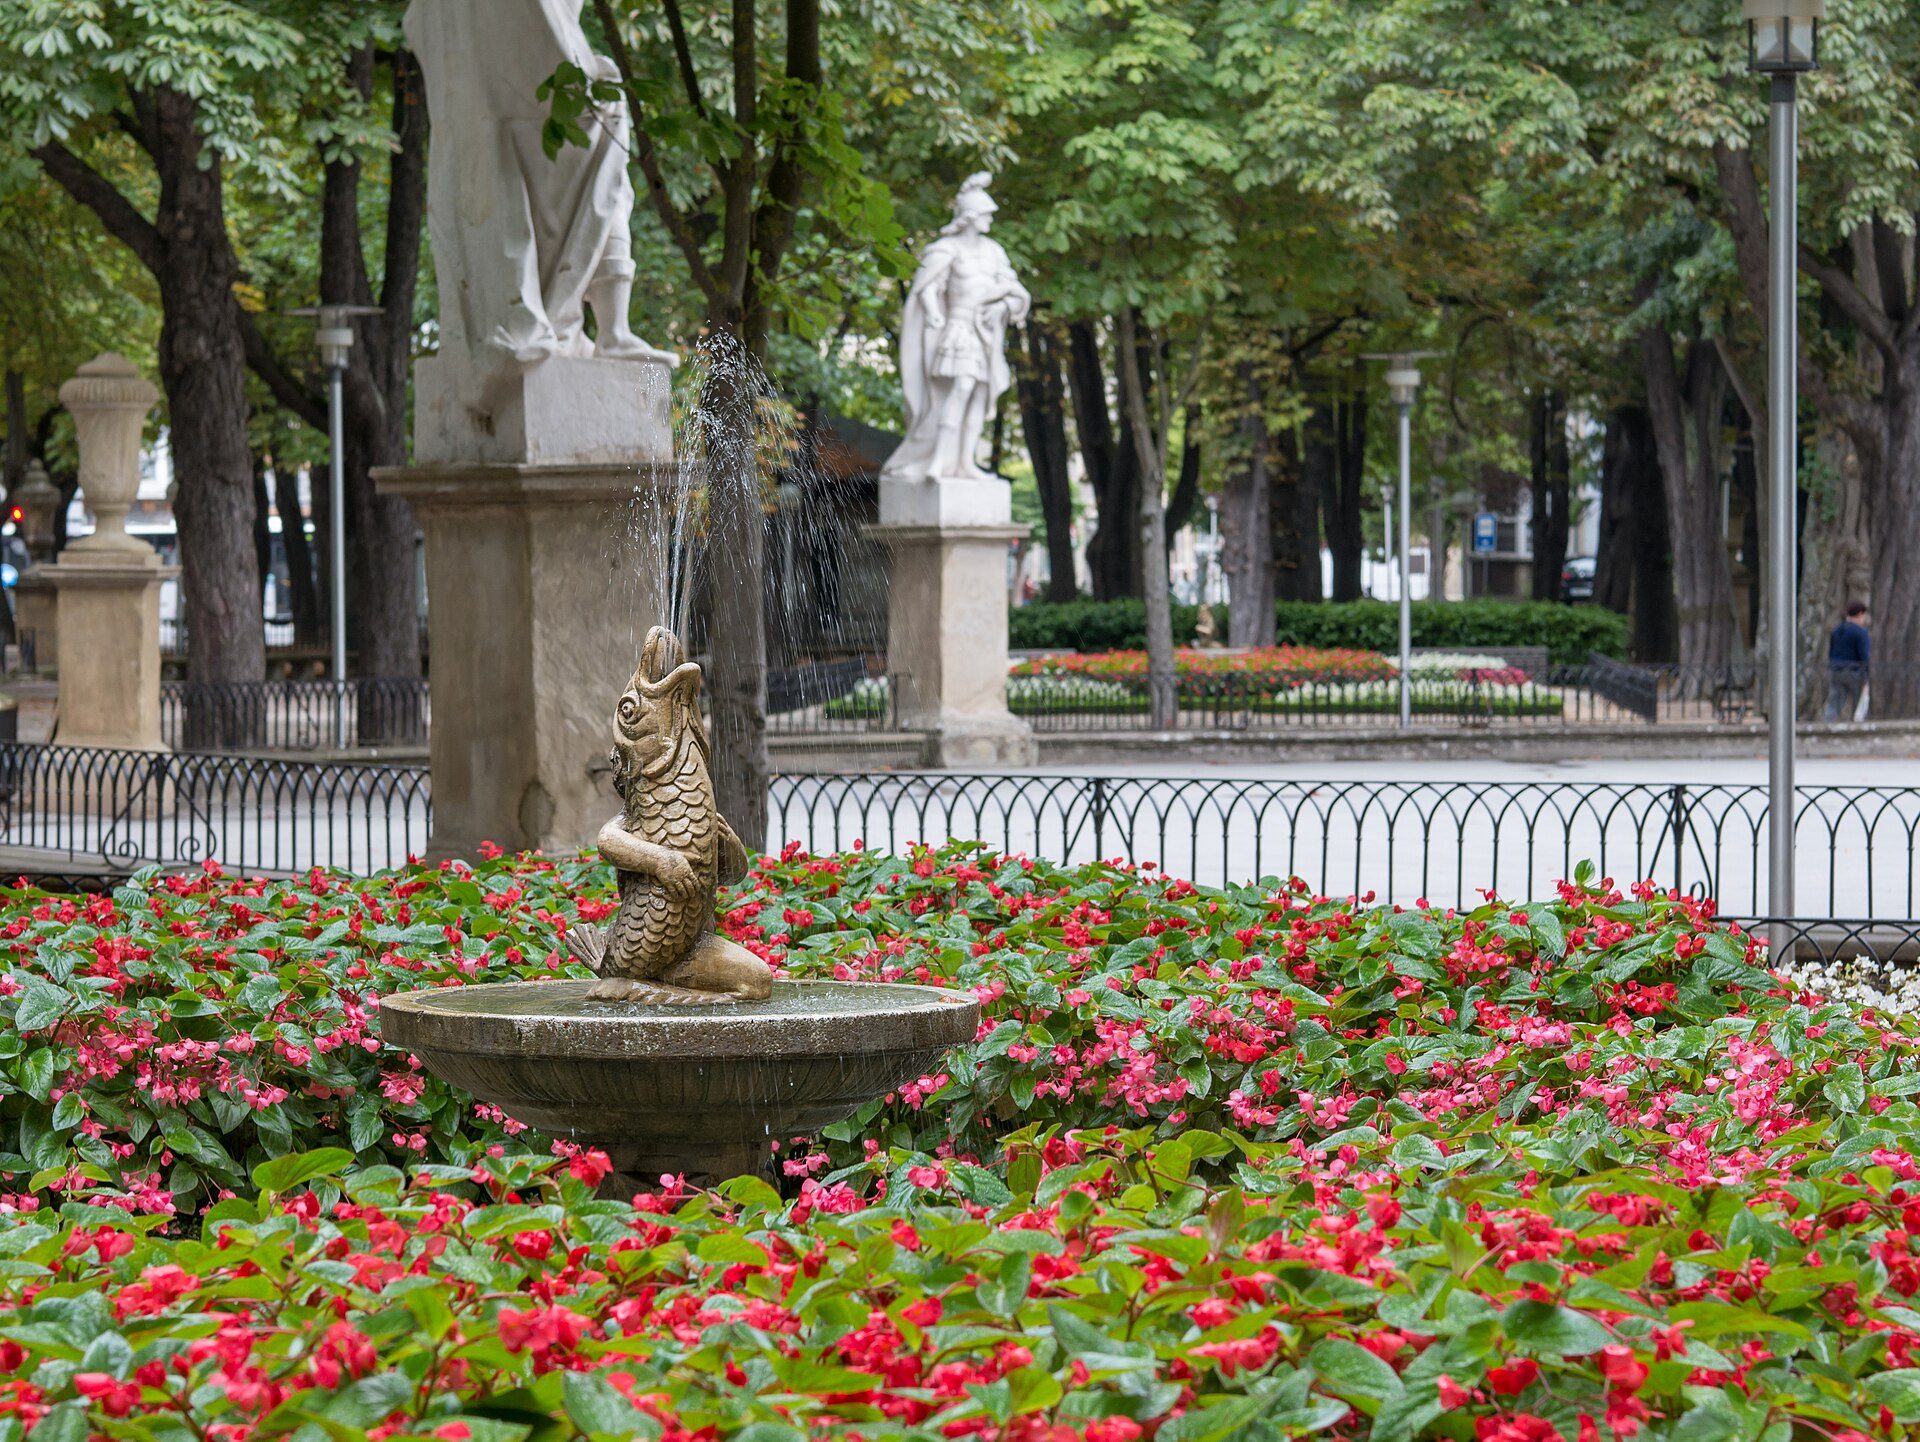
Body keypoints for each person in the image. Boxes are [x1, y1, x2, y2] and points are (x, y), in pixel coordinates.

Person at [1826, 600, 1871, 722]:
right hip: (1854, 671)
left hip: (1836, 669)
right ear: (1860, 614)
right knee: (1859, 702)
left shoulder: (1837, 630)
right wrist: (1866, 676)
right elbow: (1864, 655)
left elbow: (1831, 651)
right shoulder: (1860, 632)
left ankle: (1829, 725)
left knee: (1835, 702)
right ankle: (1858, 725)